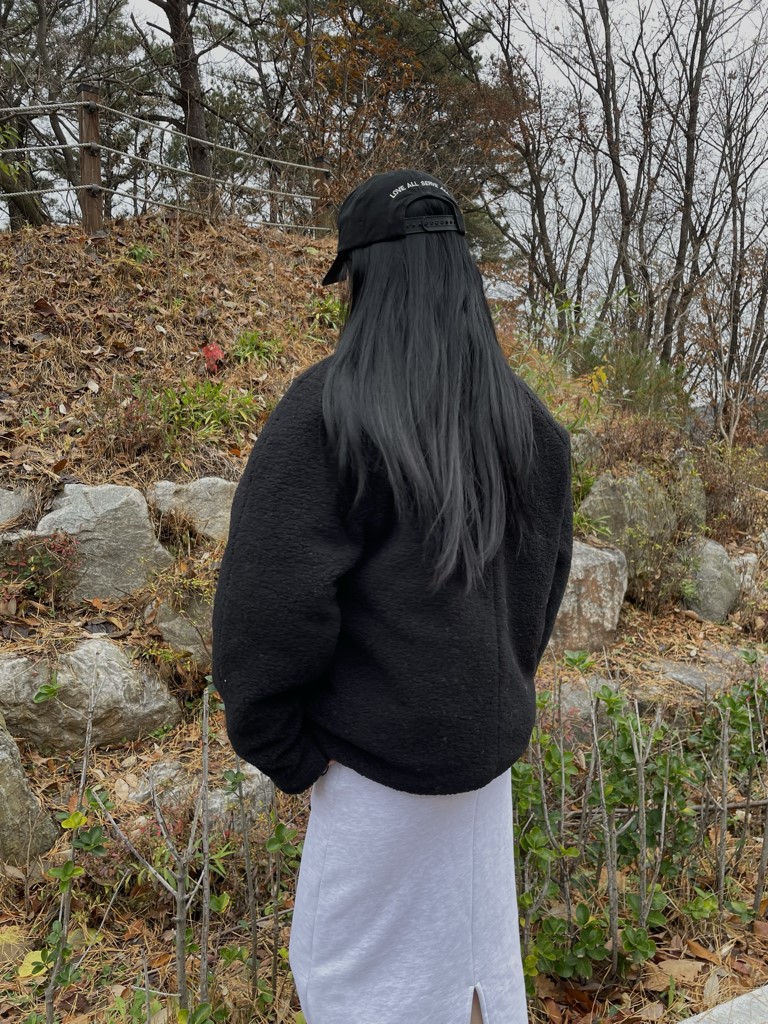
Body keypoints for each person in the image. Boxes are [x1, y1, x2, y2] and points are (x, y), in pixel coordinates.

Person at [211, 169, 573, 1024]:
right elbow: (538, 600)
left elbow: (265, 610)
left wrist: (290, 752)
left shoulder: (330, 411)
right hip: (481, 773)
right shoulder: (531, 426)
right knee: (472, 980)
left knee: (360, 990)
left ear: (365, 279)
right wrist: (490, 702)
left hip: (370, 778)